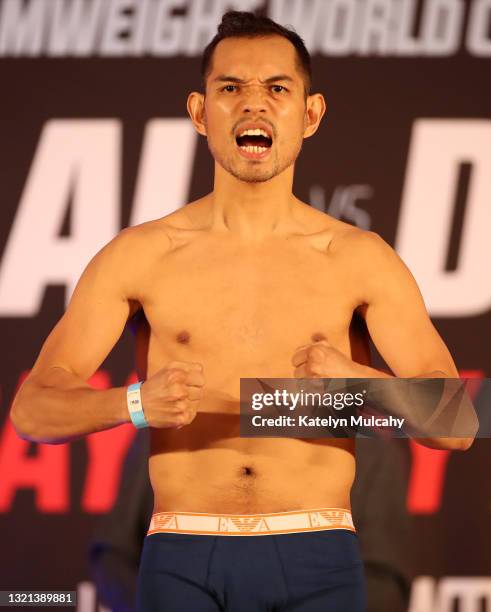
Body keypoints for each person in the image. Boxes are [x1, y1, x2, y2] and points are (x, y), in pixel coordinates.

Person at [11, 10, 473, 611]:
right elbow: (33, 410)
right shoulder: (140, 256)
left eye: (277, 88)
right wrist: (134, 404)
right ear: (201, 112)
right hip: (182, 553)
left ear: (310, 114)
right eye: (231, 88)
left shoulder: (358, 259)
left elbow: (458, 423)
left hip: (319, 552)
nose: (254, 106)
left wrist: (358, 385)